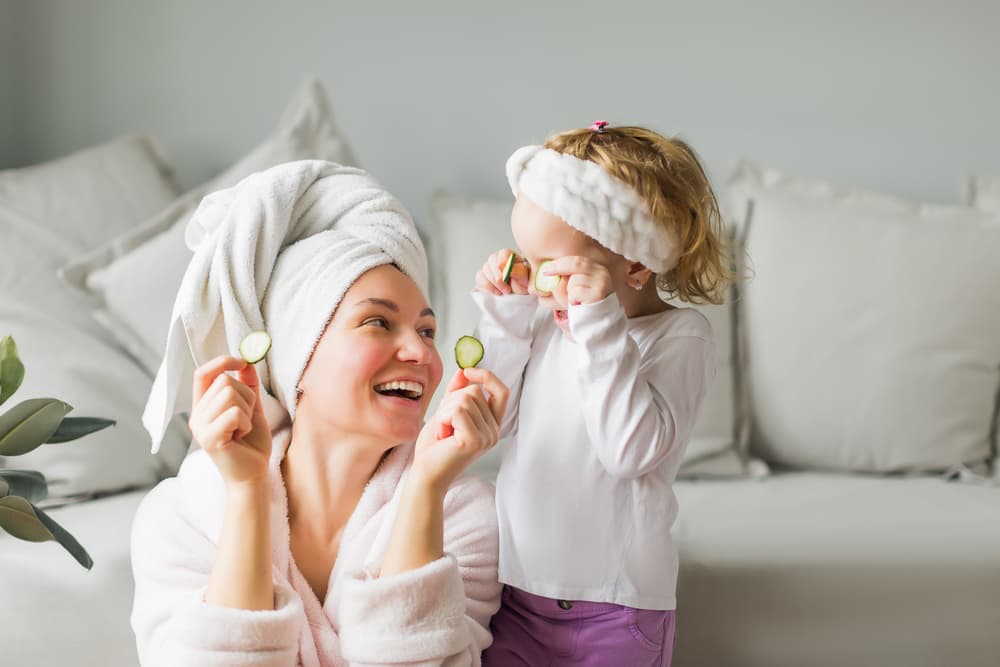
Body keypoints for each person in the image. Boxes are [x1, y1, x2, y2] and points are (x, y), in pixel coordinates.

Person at [130, 160, 507, 666]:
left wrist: (425, 489)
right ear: (298, 355)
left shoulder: (462, 511)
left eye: (426, 331)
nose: (421, 353)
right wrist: (245, 493)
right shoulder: (185, 514)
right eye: (378, 322)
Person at [476, 122, 733, 666]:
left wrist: (598, 325)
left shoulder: (680, 338)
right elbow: (491, 422)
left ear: (635, 264)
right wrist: (504, 320)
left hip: (617, 608)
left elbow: (629, 450)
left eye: (553, 268)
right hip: (518, 594)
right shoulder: (547, 326)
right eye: (529, 261)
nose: (539, 284)